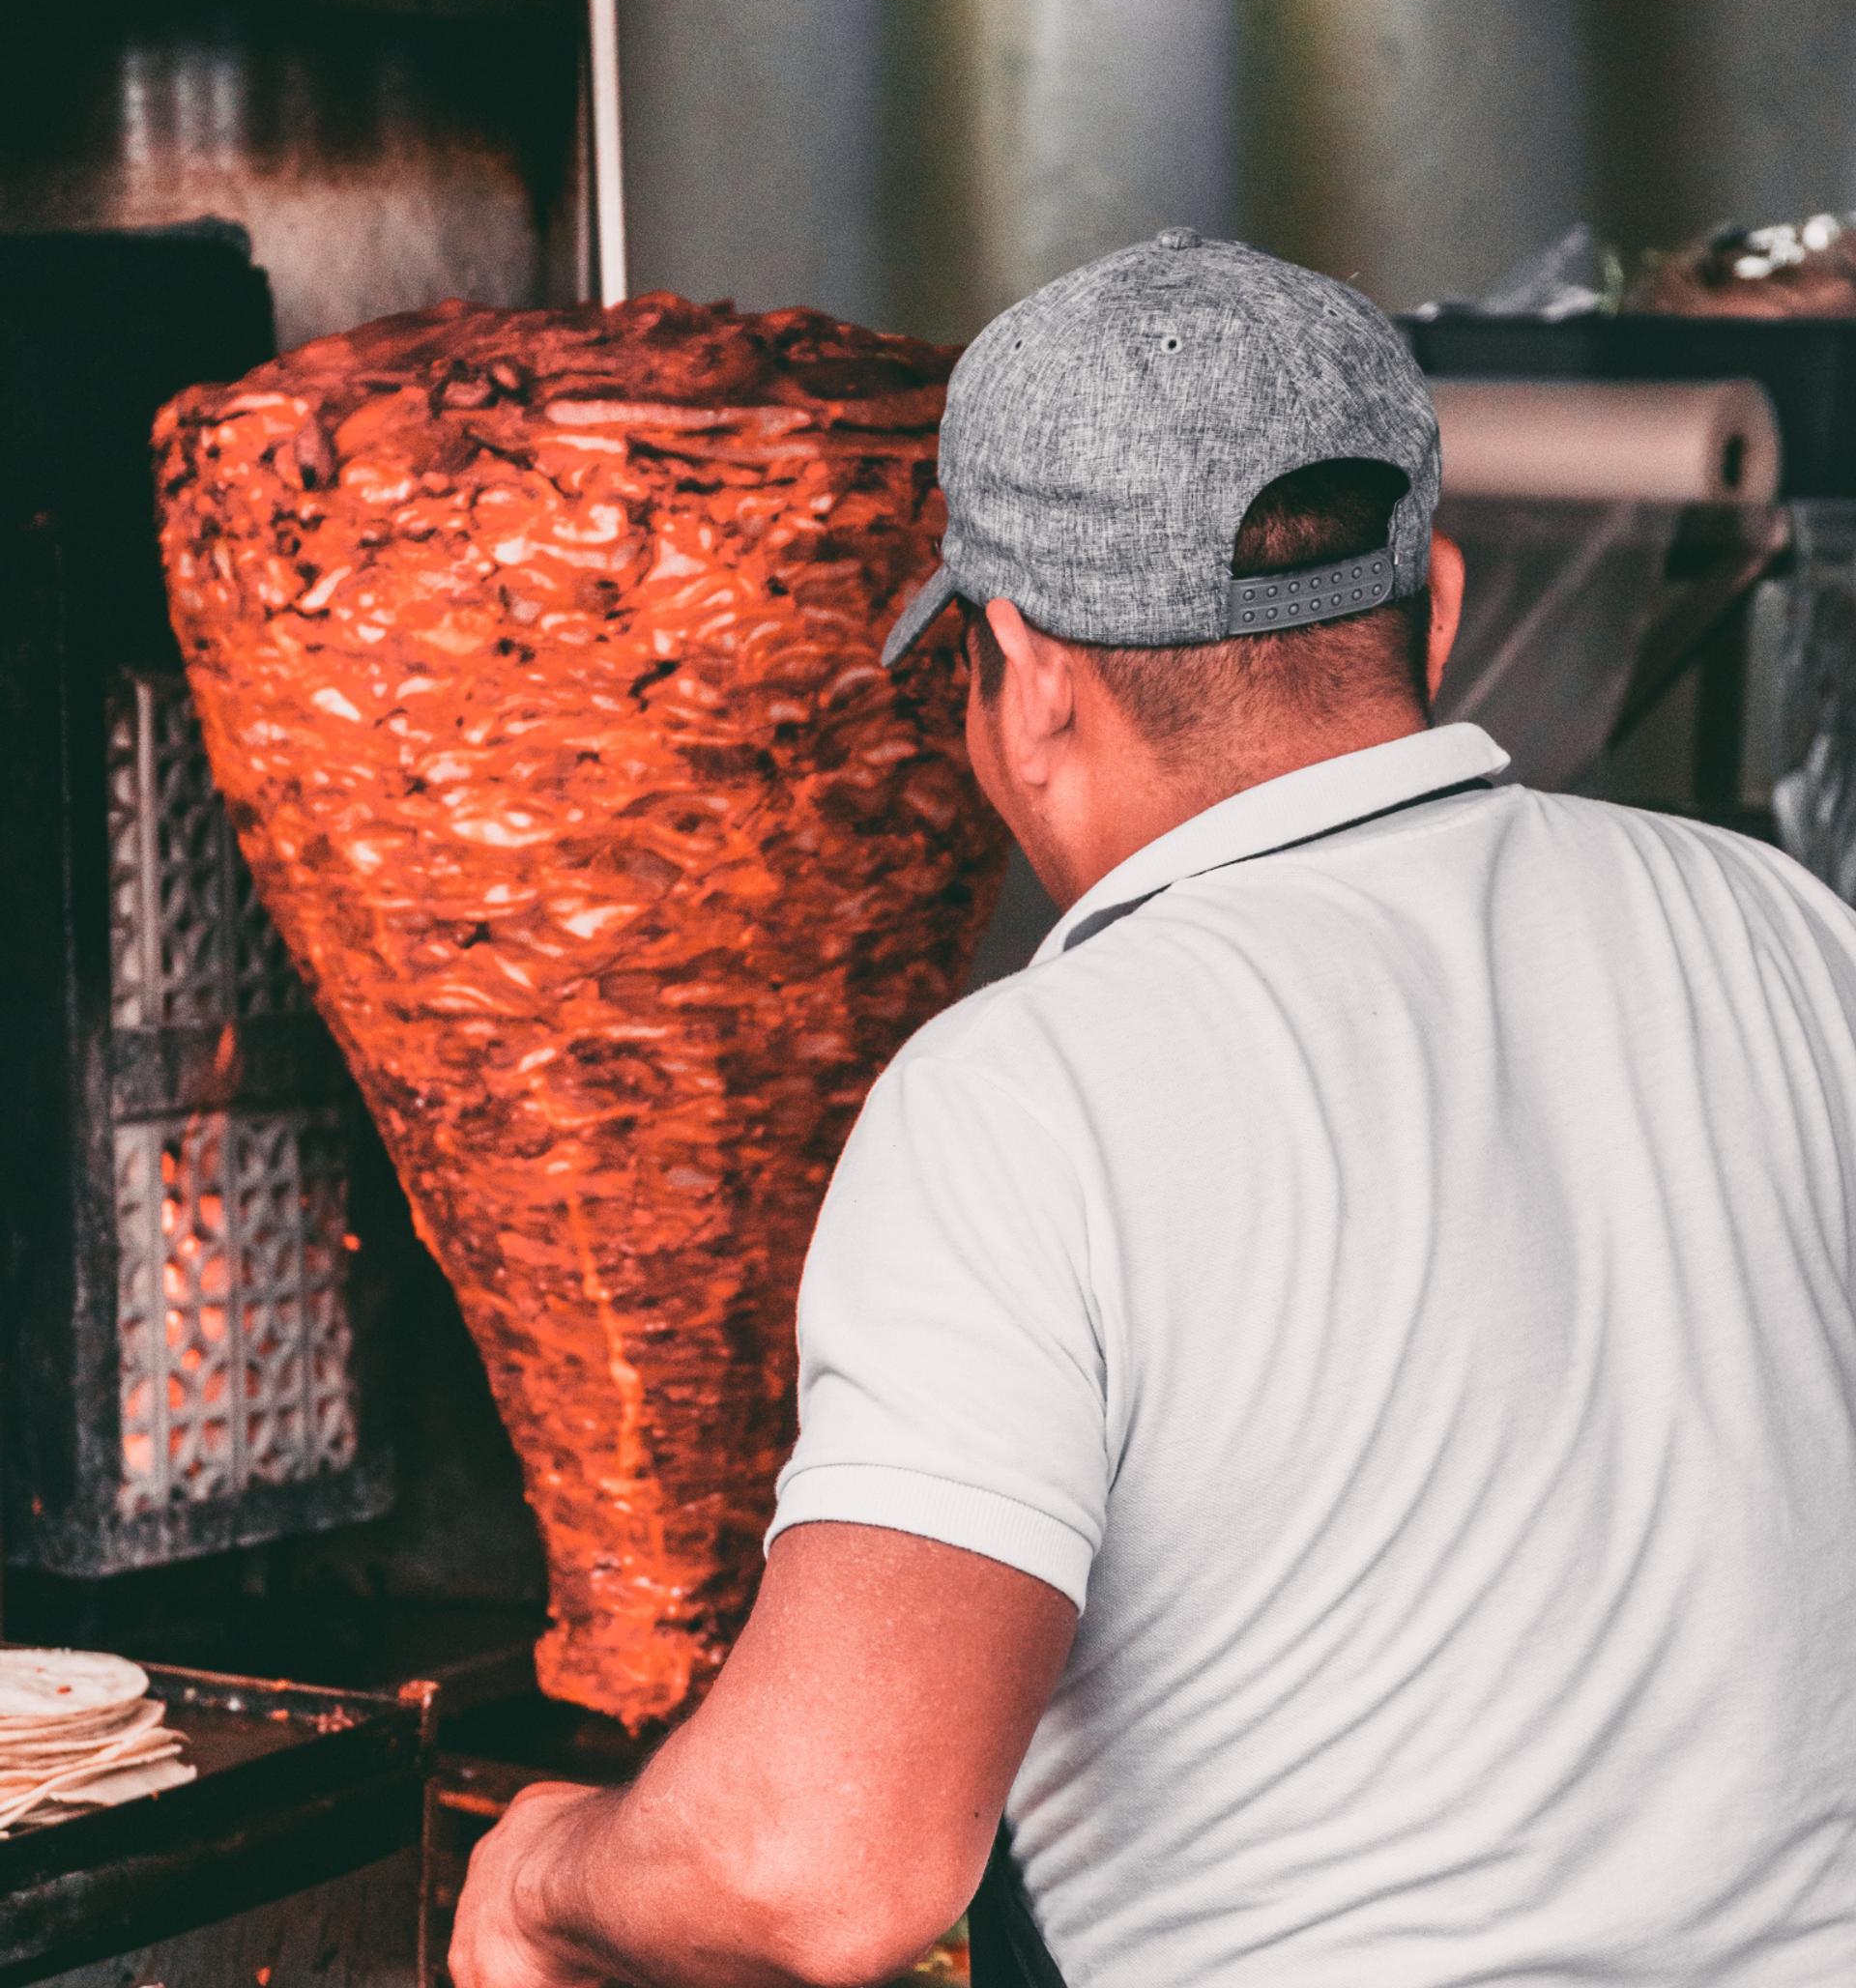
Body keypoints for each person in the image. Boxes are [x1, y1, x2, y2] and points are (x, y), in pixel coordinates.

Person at [450, 232, 1856, 1988]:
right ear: (1437, 605)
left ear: (1028, 678)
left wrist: (546, 1873)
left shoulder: (1022, 1101)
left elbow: (819, 1869)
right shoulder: (1783, 933)